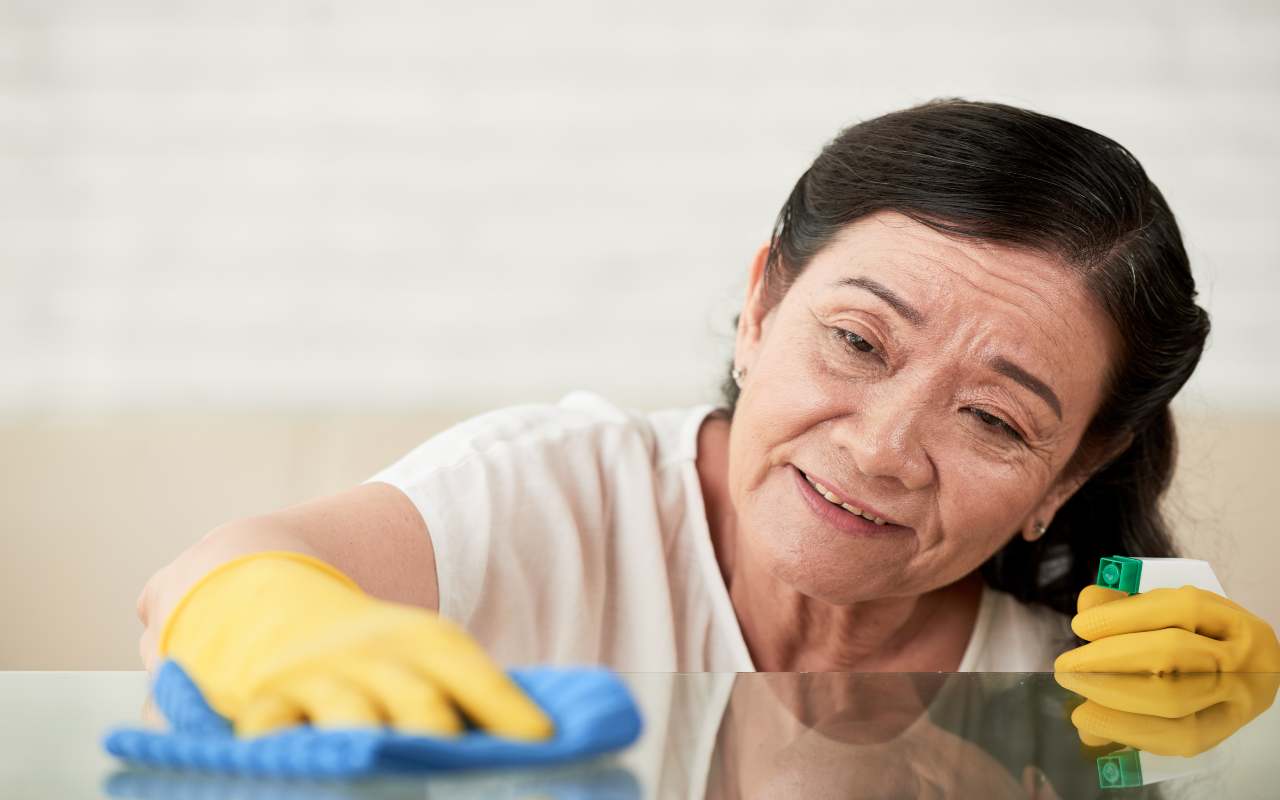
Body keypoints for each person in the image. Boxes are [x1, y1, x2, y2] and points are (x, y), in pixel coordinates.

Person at [135, 99, 1280, 740]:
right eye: (856, 340)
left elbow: (1122, 773)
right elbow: (219, 571)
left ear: (1066, 473)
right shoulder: (553, 491)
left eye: (989, 416)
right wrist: (269, 621)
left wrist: (1190, 750)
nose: (880, 447)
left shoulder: (1067, 674)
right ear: (759, 306)